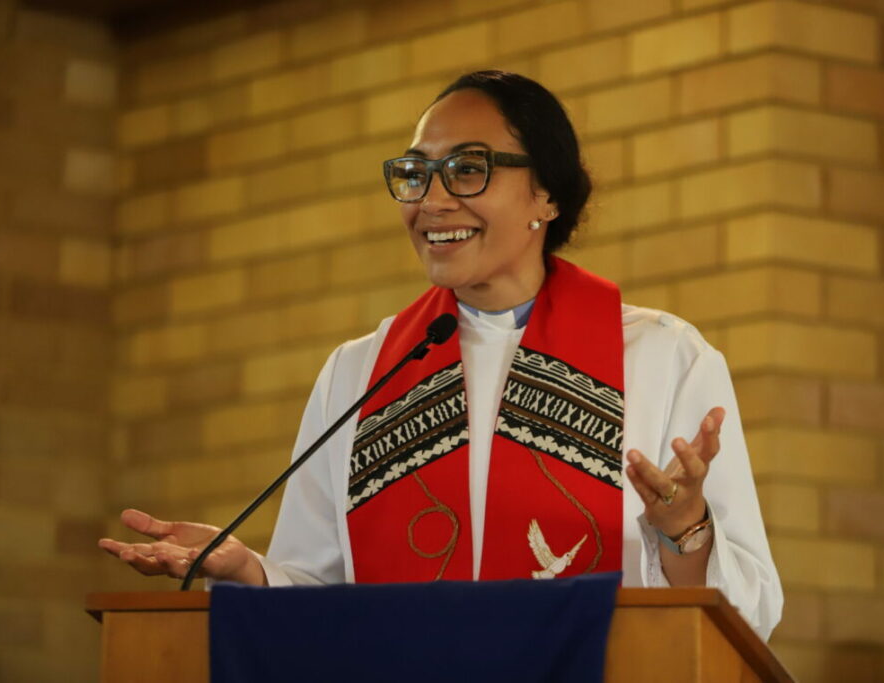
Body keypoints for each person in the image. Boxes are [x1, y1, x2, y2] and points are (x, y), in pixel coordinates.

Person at [99, 71, 782, 639]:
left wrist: (685, 530)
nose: (430, 199)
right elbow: (322, 592)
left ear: (545, 191)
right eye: (414, 174)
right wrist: (253, 570)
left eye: (465, 169)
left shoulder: (662, 357)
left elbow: (747, 611)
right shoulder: (361, 371)